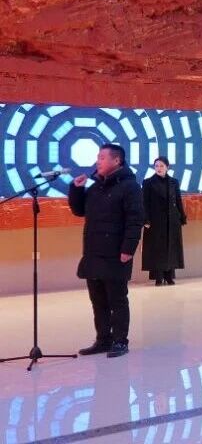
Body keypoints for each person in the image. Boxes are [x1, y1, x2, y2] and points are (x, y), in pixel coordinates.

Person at [71, 143, 144, 358]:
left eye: (102, 157)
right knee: (98, 300)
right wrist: (76, 189)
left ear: (117, 160)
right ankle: (103, 339)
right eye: (97, 157)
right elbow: (79, 210)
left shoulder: (130, 187)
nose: (98, 161)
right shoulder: (96, 187)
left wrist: (128, 248)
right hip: (94, 252)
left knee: (117, 299)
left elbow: (135, 220)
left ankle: (120, 340)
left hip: (116, 252)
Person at [141, 156, 186, 286]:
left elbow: (178, 200)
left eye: (161, 166)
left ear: (167, 167)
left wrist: (182, 216)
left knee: (171, 247)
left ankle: (169, 276)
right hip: (155, 221)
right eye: (156, 166)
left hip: (172, 220)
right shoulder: (148, 182)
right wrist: (145, 219)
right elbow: (144, 202)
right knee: (157, 248)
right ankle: (158, 277)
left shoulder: (173, 182)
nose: (159, 168)